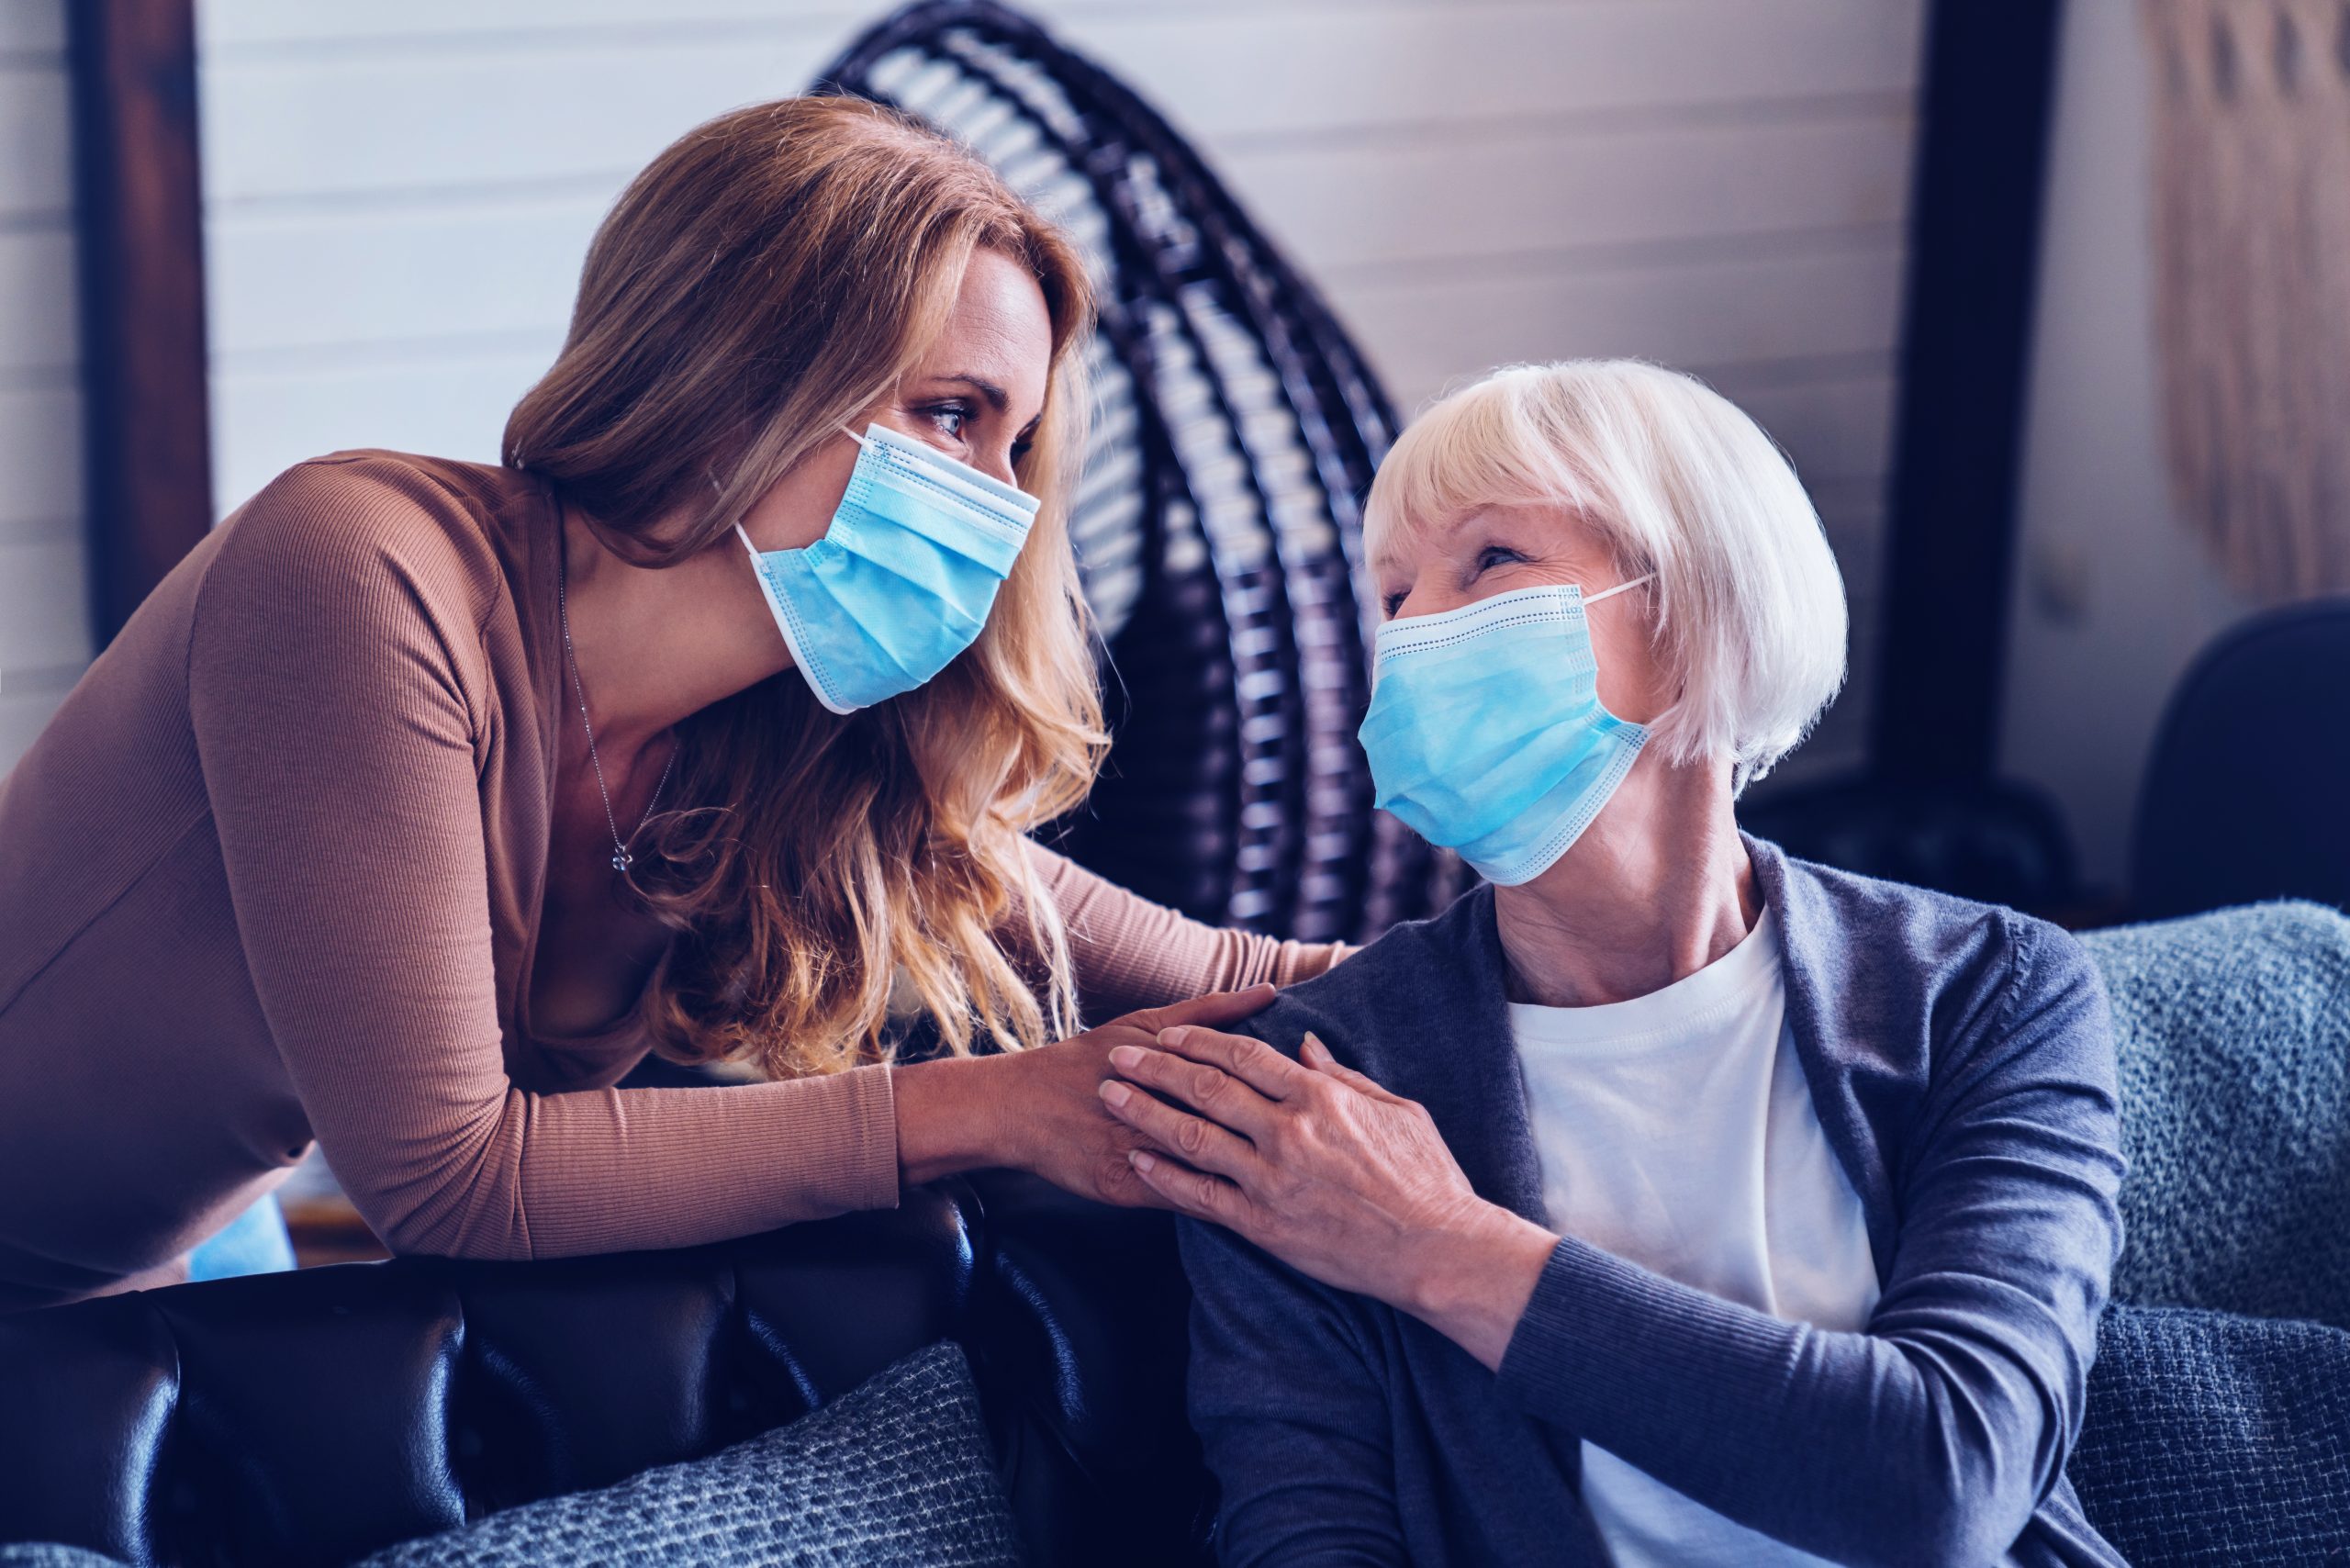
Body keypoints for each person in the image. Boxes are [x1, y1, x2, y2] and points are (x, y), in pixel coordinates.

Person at [0, 96, 1340, 1314]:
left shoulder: (768, 741)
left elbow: (1227, 976)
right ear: (740, 370)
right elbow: (451, 1181)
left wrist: (1498, 971)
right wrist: (996, 1108)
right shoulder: (357, 571)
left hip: (183, 1232)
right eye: (948, 414)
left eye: (1018, 444)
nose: (998, 502)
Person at [1100, 361, 2128, 1566]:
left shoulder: (1992, 993)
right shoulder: (1309, 1092)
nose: (1417, 626)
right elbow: (1305, 1536)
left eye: (1490, 562)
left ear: (1696, 620)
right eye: (1391, 592)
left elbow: (1950, 1478)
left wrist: (1440, 1248)